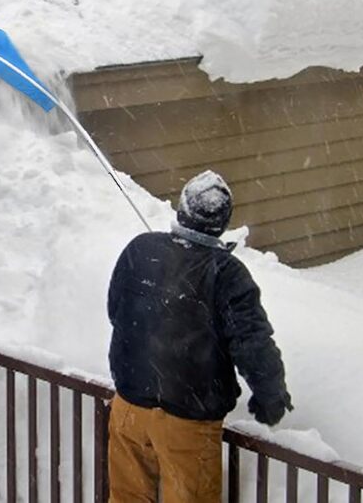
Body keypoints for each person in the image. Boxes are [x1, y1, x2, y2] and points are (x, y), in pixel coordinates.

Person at [107, 170, 292, 503]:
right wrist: (271, 395)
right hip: (187, 424)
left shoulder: (139, 249)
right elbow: (252, 342)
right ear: (221, 223)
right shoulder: (227, 274)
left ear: (182, 210)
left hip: (129, 410)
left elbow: (115, 311)